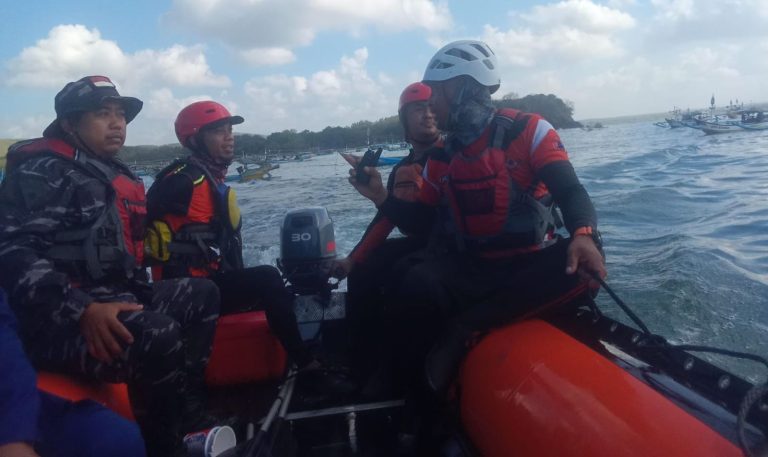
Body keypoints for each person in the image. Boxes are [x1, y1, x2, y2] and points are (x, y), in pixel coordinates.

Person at [347, 40, 606, 397]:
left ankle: (468, 325)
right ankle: (402, 384)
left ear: (461, 87)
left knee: (589, 254)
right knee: (417, 280)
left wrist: (582, 233)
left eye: (435, 93)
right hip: (475, 268)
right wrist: (380, 196)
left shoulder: (529, 130)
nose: (431, 105)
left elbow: (571, 191)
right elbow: (423, 222)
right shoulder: (442, 154)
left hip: (529, 265)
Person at [0, 76, 222, 457]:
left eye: (120, 115)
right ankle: (164, 447)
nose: (117, 123)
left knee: (201, 294)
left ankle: (186, 413)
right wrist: (81, 307)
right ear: (70, 124)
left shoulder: (109, 172)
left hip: (115, 297)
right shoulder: (41, 173)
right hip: (55, 322)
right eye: (103, 114)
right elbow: (12, 255)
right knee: (158, 333)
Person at [145, 101, 354, 394]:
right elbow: (142, 228)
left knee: (286, 287)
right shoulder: (181, 180)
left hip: (211, 283)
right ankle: (308, 368)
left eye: (230, 130)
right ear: (194, 139)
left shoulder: (209, 179)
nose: (229, 136)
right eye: (218, 131)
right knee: (268, 278)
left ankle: (296, 362)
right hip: (188, 291)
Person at [334, 82, 442, 387]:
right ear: (404, 120)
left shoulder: (453, 157)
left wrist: (381, 196)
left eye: (433, 107)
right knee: (366, 269)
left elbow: (430, 220)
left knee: (402, 274)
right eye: (419, 109)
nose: (428, 114)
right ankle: (362, 364)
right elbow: (387, 218)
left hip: (449, 246)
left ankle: (402, 370)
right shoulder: (402, 169)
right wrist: (353, 260)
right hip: (421, 242)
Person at [0, 289, 146, 457]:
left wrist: (13, 435)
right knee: (156, 336)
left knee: (120, 440)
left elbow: (5, 341)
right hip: (54, 322)